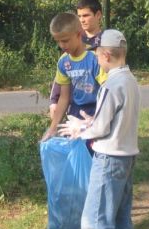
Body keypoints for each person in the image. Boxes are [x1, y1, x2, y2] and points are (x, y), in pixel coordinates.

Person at [58, 29, 140, 229]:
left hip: (109, 157)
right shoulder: (131, 81)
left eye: (96, 51)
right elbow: (115, 118)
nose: (94, 55)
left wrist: (80, 130)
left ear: (105, 55)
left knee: (95, 218)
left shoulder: (111, 84)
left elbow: (102, 128)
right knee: (120, 217)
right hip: (127, 156)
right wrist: (92, 122)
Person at [42, 12, 106, 140]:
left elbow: (107, 91)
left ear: (78, 34)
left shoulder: (95, 58)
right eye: (58, 41)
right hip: (75, 113)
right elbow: (64, 97)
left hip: (96, 112)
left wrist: (97, 119)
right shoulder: (63, 62)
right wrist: (53, 128)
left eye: (65, 40)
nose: (61, 45)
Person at [49, 0, 104, 119]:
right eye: (79, 16)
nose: (82, 20)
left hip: (98, 108)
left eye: (86, 16)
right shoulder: (71, 41)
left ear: (98, 15)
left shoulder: (107, 43)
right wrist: (54, 101)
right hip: (75, 108)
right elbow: (64, 73)